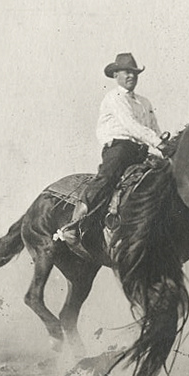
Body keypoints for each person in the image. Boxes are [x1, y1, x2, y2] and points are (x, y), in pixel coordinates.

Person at [55, 53, 171, 241]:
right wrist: (159, 144)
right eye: (126, 72)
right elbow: (131, 125)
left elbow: (153, 128)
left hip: (140, 151)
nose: (131, 76)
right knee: (107, 179)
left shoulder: (144, 102)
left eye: (134, 73)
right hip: (119, 149)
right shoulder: (115, 97)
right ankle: (74, 224)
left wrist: (164, 150)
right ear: (116, 75)